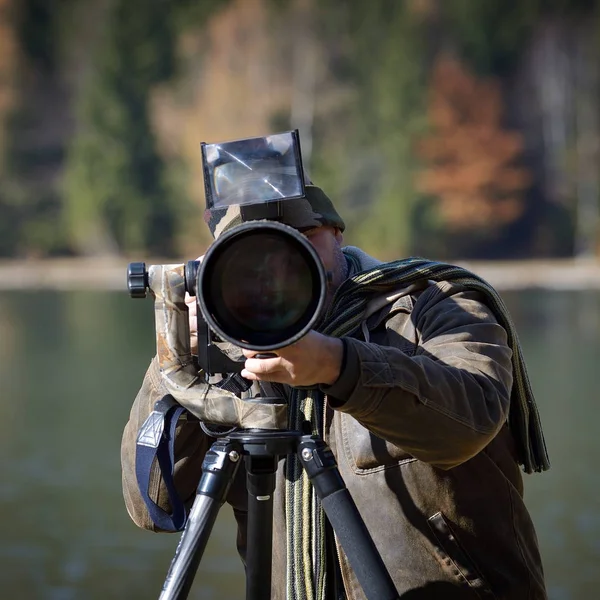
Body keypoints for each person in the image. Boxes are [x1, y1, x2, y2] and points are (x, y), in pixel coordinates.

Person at [121, 181, 549, 600]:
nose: (282, 265)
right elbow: (154, 506)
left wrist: (338, 366)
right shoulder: (222, 356)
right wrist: (174, 360)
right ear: (223, 264)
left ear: (337, 234)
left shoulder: (432, 307)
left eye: (302, 240)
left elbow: (471, 419)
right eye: (258, 254)